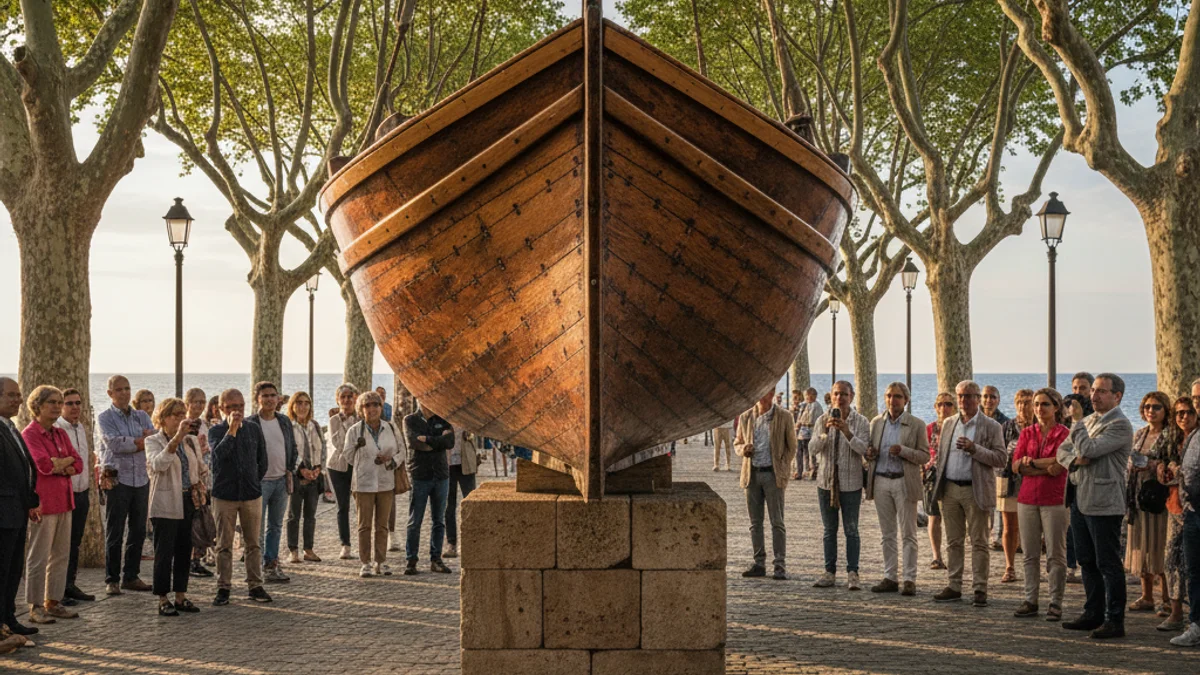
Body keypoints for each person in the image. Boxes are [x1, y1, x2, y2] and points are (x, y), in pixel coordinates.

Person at [1057, 373, 1131, 639]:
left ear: (1117, 396)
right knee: (1086, 560)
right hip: (1079, 498)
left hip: (1104, 504)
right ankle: (1093, 613)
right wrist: (1075, 461)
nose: (1094, 395)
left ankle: (1115, 619)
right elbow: (1062, 452)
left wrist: (1076, 424)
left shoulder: (1120, 425)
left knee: (1108, 563)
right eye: (1094, 391)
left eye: (1101, 391)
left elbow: (1088, 449)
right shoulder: (1088, 421)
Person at [930, 380, 1007, 607]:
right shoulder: (949, 424)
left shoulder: (991, 426)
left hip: (976, 489)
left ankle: (980, 588)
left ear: (978, 398)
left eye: (969, 396)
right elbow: (942, 456)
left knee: (979, 542)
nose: (963, 401)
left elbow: (1001, 459)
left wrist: (975, 449)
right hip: (951, 488)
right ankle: (954, 585)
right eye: (960, 396)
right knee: (953, 541)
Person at [21, 386, 83, 624]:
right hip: (43, 504)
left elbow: (78, 464)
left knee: (60, 555)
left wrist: (63, 463)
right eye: (52, 402)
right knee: (38, 556)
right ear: (38, 406)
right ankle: (34, 606)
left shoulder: (60, 434)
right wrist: (60, 465)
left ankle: (53, 602)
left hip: (65, 501)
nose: (58, 406)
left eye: (59, 402)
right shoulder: (30, 434)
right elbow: (43, 465)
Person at [207, 388, 272, 606]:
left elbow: (262, 460)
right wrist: (231, 431)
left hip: (251, 495)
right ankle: (223, 587)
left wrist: (254, 480)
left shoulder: (253, 429)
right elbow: (217, 459)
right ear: (221, 408)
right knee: (224, 544)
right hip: (225, 496)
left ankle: (255, 584)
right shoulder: (216, 431)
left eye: (241, 406)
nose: (237, 411)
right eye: (232, 407)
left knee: (253, 543)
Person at [1011, 388, 1070, 620]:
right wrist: (1043, 465)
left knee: (1056, 554)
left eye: (1044, 404)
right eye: (1036, 404)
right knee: (1029, 554)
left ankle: (1055, 602)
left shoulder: (1065, 434)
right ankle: (1030, 599)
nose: (1038, 409)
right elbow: (1017, 465)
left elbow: (1061, 464)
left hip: (1055, 499)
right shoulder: (1027, 433)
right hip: (1026, 499)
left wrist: (1032, 463)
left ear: (1056, 407)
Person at [145, 398, 208, 616]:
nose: (180, 419)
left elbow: (199, 469)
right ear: (162, 418)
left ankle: (181, 595)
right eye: (175, 415)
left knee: (184, 550)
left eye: (183, 415)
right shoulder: (153, 441)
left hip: (188, 501)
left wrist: (203, 462)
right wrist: (176, 439)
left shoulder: (190, 441)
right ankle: (163, 598)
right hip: (165, 503)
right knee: (164, 552)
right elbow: (158, 465)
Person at [865, 383, 928, 596]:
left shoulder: (916, 424)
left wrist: (904, 451)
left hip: (904, 481)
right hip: (881, 480)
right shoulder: (876, 423)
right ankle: (890, 576)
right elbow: (869, 452)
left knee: (908, 533)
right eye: (890, 396)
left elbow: (924, 456)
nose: (893, 400)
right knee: (887, 533)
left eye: (898, 397)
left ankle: (909, 579)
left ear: (906, 400)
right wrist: (870, 454)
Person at [97, 375, 155, 595]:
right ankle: (112, 579)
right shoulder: (105, 418)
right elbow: (114, 443)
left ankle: (131, 576)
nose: (124, 393)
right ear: (110, 393)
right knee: (115, 531)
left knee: (138, 530)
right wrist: (141, 440)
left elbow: (153, 439)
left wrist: (137, 441)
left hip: (141, 478)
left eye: (127, 388)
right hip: (118, 480)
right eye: (119, 389)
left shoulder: (141, 416)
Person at [809, 380, 869, 590]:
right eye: (836, 394)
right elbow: (812, 449)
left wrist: (846, 431)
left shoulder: (860, 421)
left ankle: (853, 573)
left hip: (851, 484)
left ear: (851, 396)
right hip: (825, 483)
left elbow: (864, 449)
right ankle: (829, 572)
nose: (840, 398)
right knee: (829, 530)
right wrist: (825, 433)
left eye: (844, 394)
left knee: (851, 530)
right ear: (831, 396)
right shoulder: (822, 419)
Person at [735, 390, 797, 580]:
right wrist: (742, 449)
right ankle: (759, 563)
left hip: (773, 474)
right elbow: (737, 442)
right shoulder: (746, 416)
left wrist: (783, 466)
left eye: (767, 391)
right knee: (755, 523)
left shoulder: (784, 416)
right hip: (752, 474)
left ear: (772, 393)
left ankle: (779, 565)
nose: (762, 395)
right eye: (760, 391)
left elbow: (792, 446)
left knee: (777, 522)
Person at [1126, 390, 1174, 616]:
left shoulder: (1170, 434)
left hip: (1158, 498)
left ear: (1165, 410)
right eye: (1147, 407)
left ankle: (1166, 598)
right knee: (1142, 545)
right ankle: (1146, 596)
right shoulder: (1140, 433)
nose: (1150, 411)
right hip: (1138, 496)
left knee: (1160, 546)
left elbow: (1172, 462)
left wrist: (1153, 466)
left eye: (1156, 407)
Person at [346, 391, 404, 577]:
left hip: (386, 481)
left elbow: (402, 451)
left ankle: (381, 561)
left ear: (381, 407)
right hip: (363, 483)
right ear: (361, 409)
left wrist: (391, 459)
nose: (372, 409)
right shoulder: (355, 430)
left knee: (382, 524)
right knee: (364, 525)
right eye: (367, 405)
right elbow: (347, 457)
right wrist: (356, 446)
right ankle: (365, 563)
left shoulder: (391, 428)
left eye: (375, 405)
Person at [0, 377, 40, 637]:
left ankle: (8, 618)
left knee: (14, 570)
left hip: (18, 511)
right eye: (11, 395)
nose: (17, 400)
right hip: (4, 513)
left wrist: (31, 499)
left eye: (19, 395)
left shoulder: (11, 427)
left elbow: (24, 467)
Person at [247, 382, 297, 584]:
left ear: (278, 399)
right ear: (257, 398)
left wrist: (290, 469)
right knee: (256, 528)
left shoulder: (284, 421)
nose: (269, 399)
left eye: (273, 395)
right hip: (260, 483)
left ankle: (271, 564)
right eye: (265, 395)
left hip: (280, 481)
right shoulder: (251, 423)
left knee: (275, 526)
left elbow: (291, 446)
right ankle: (255, 568)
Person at [402, 402, 454, 575]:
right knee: (415, 520)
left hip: (441, 475)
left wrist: (428, 440)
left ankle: (436, 559)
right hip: (420, 475)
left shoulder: (443, 419)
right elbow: (414, 443)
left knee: (439, 520)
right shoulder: (410, 420)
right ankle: (411, 560)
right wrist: (438, 440)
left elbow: (450, 441)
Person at [54, 388, 95, 604]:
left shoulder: (82, 429)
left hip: (82, 491)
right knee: (60, 544)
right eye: (69, 403)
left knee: (75, 542)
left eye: (78, 403)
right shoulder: (57, 429)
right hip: (64, 492)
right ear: (61, 406)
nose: (75, 407)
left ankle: (69, 584)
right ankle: (56, 591)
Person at [1160, 395, 1194, 633]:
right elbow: (1154, 460)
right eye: (1179, 413)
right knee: (1172, 561)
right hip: (1174, 506)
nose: (1184, 417)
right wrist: (1162, 468)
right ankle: (1176, 612)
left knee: (1193, 564)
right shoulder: (1172, 438)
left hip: (1194, 508)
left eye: (1189, 412)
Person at [1171, 384, 1200, 646]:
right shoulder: (1193, 435)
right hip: (1192, 513)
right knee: (1193, 571)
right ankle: (1196, 625)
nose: (1197, 403)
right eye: (1195, 398)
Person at [998, 389, 1033, 583]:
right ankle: (1009, 566)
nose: (1023, 406)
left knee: (1033, 527)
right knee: (1009, 526)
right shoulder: (1007, 427)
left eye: (1027, 402)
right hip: (1009, 480)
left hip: (1034, 480)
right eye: (1019, 402)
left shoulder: (1040, 426)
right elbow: (999, 453)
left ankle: (1031, 565)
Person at [286, 391, 325, 564]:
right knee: (294, 515)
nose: (302, 406)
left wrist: (318, 468)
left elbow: (322, 449)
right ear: (293, 406)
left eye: (306, 403)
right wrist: (301, 470)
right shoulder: (288, 426)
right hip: (296, 476)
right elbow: (289, 452)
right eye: (299, 403)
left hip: (314, 477)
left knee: (311, 515)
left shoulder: (314, 426)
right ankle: (293, 550)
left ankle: (308, 549)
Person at [326, 384, 360, 560]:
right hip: (338, 467)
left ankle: (364, 542)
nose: (346, 400)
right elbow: (338, 444)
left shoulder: (362, 418)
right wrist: (355, 445)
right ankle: (345, 544)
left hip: (358, 466)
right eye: (343, 397)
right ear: (338, 400)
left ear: (355, 398)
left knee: (363, 505)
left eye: (350, 396)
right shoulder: (334, 420)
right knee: (342, 506)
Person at [183, 388, 214, 577]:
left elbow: (208, 448)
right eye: (195, 401)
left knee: (201, 519)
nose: (199, 405)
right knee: (190, 522)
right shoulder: (183, 424)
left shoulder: (204, 425)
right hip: (187, 479)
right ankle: (188, 560)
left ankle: (197, 558)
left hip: (202, 477)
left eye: (202, 402)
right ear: (187, 403)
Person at [925, 392, 956, 571]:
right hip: (933, 477)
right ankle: (936, 556)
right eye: (941, 404)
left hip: (952, 475)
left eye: (948, 404)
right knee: (934, 517)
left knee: (952, 518)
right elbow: (923, 450)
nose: (944, 408)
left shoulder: (958, 427)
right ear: (935, 408)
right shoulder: (929, 429)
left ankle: (954, 555)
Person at [445, 428, 480, 559]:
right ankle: (451, 543)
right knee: (448, 507)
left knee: (471, 504)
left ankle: (470, 542)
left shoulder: (465, 414)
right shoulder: (440, 416)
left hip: (466, 463)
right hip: (446, 465)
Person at [983, 385, 1009, 551]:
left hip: (997, 468)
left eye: (993, 397)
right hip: (977, 467)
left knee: (998, 504)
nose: (989, 400)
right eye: (985, 396)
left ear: (998, 400)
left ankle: (997, 536)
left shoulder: (1004, 422)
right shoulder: (974, 418)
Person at [795, 388, 823, 480]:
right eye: (806, 395)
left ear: (813, 396)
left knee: (811, 452)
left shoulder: (817, 406)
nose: (807, 397)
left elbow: (819, 420)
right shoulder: (804, 405)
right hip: (802, 430)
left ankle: (812, 470)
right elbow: (799, 415)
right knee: (799, 452)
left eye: (808, 395)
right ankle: (800, 471)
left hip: (811, 430)